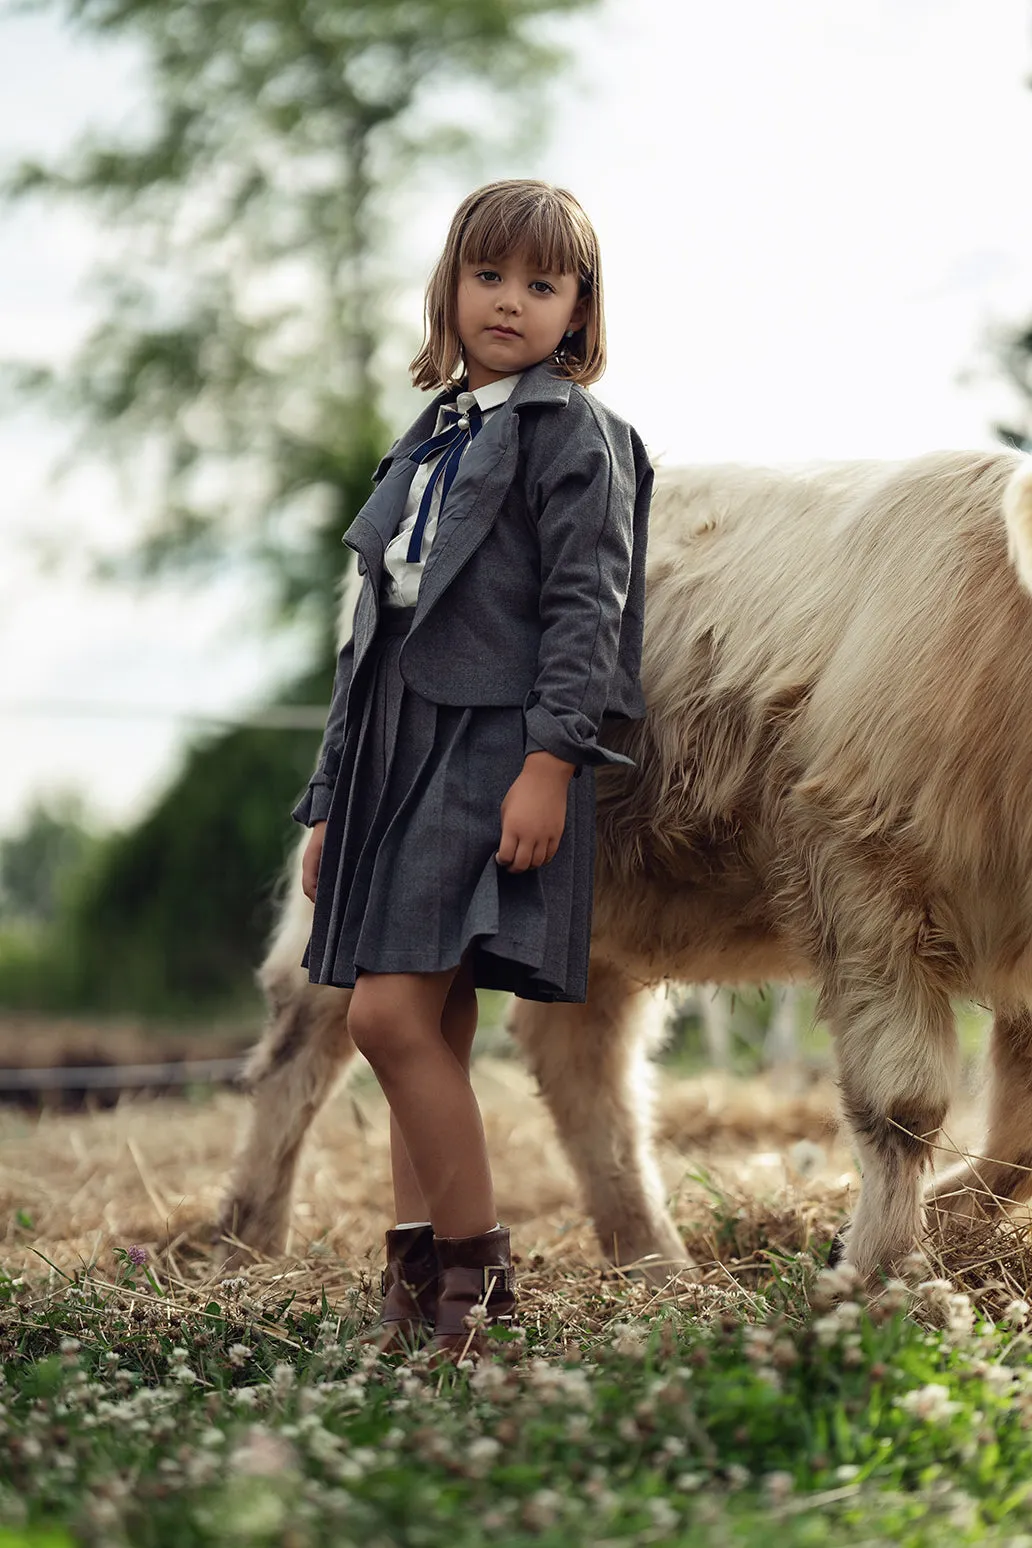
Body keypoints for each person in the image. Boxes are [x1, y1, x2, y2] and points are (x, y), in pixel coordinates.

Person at [292, 179, 653, 1361]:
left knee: (383, 1018)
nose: (510, 301)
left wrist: (551, 762)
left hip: (491, 747)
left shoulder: (576, 439)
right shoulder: (437, 429)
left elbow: (583, 613)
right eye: (489, 275)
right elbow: (371, 634)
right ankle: (418, 1282)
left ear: (577, 310)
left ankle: (477, 1281)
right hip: (395, 746)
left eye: (541, 284)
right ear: (450, 286)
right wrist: (329, 800)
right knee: (427, 1027)